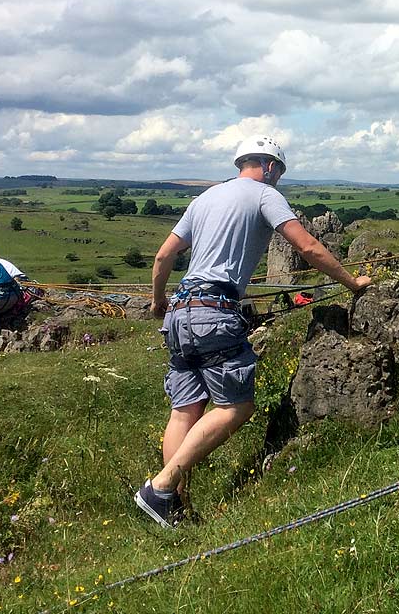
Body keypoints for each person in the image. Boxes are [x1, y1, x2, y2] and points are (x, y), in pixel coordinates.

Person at [134, 136, 372, 528]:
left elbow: (163, 256)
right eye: (278, 172)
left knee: (185, 411)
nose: (277, 178)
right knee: (236, 407)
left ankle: (171, 507)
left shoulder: (204, 200)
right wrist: (350, 282)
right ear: (269, 166)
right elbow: (308, 246)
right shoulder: (264, 194)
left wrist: (158, 302)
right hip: (215, 310)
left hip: (179, 309)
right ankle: (160, 488)